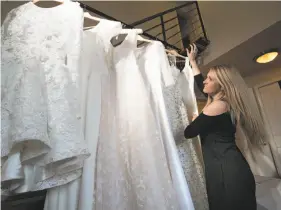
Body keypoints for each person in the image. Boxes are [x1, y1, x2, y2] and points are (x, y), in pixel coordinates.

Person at [184, 44, 267, 210]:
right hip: (228, 164)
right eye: (207, 77)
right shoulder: (226, 102)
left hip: (225, 170)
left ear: (221, 84)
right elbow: (203, 86)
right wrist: (193, 63)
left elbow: (189, 132)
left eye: (211, 79)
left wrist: (197, 119)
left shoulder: (218, 106)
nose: (206, 81)